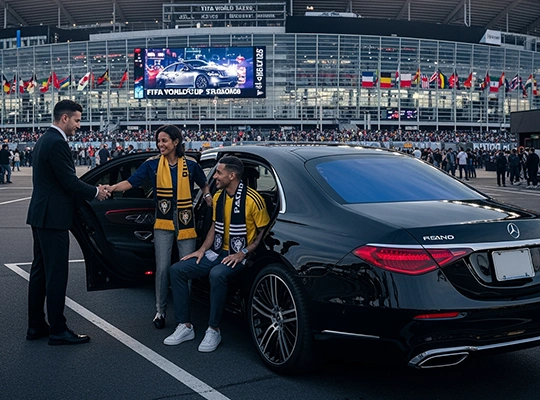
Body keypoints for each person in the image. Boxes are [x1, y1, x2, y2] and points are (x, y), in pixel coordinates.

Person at [105, 125, 212, 329]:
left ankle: (184, 313)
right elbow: (131, 182)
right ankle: (160, 311)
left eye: (164, 141)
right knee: (162, 268)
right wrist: (112, 188)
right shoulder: (152, 164)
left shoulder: (191, 164)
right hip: (162, 220)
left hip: (185, 219)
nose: (160, 144)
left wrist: (207, 195)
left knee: (185, 266)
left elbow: (204, 183)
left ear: (176, 142)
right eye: (158, 141)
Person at [164, 156, 270, 353]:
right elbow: (215, 226)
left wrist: (243, 252)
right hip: (217, 251)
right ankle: (185, 326)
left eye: (219, 172)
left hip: (241, 255)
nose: (215, 176)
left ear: (232, 175)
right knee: (177, 270)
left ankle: (214, 329)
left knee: (217, 274)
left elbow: (263, 232)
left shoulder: (253, 199)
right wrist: (202, 249)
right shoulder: (219, 196)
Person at [26, 100, 110, 345]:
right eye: (77, 120)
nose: (78, 125)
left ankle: (36, 325)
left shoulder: (44, 139)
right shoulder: (57, 142)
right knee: (56, 274)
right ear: (64, 118)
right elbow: (69, 182)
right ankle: (58, 330)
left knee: (40, 272)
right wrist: (97, 192)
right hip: (53, 218)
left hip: (41, 215)